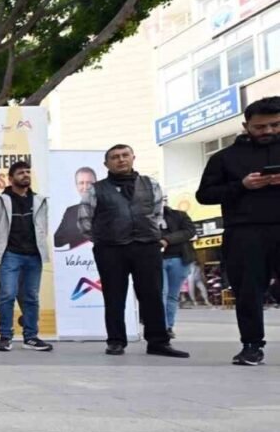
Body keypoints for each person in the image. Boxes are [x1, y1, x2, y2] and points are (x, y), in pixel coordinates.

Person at [78, 144, 189, 358]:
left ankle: (158, 342)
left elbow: (156, 215)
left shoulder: (151, 184)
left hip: (146, 246)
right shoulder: (95, 189)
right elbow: (84, 221)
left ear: (133, 158)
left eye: (124, 155)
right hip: (110, 249)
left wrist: (149, 236)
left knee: (153, 295)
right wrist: (104, 239)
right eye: (114, 157)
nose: (120, 160)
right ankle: (116, 341)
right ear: (106, 164)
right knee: (114, 296)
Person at [196, 96, 280, 366]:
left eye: (275, 125)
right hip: (244, 232)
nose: (268, 131)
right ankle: (251, 346)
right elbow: (204, 195)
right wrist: (242, 185)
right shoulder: (225, 158)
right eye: (260, 127)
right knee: (248, 291)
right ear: (246, 126)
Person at [0, 160, 53, 352]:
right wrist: (2, 249)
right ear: (11, 178)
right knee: (7, 295)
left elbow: (43, 228)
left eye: (27, 172)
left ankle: (31, 337)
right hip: (11, 255)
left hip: (34, 256)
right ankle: (5, 337)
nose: (25, 175)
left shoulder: (40, 201)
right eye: (21, 173)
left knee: (31, 297)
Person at [159, 203, 196, 339]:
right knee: (161, 294)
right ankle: (160, 327)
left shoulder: (179, 215)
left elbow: (189, 231)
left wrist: (166, 240)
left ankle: (169, 326)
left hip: (179, 259)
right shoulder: (144, 216)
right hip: (155, 260)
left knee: (172, 295)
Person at [54, 167, 97, 249]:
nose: (85, 187)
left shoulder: (109, 208)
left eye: (89, 183)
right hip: (77, 260)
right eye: (81, 183)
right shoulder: (70, 212)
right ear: (76, 186)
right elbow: (57, 241)